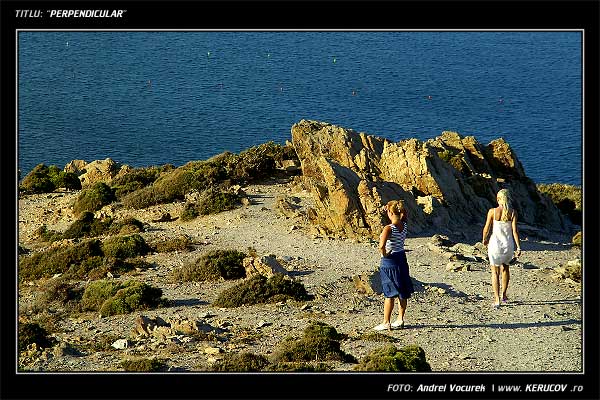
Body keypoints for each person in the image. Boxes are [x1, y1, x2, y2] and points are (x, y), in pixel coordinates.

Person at [374, 200, 415, 331]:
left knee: (389, 292)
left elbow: (381, 246)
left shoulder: (388, 228)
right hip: (401, 258)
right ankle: (400, 319)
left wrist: (384, 254)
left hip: (390, 260)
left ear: (390, 212)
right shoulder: (404, 225)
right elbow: (404, 215)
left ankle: (386, 321)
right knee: (402, 290)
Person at [482, 188, 522, 308]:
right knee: (506, 269)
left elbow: (486, 228)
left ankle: (497, 299)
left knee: (495, 272)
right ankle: (504, 295)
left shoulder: (492, 212)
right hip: (508, 245)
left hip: (495, 245)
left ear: (498, 198)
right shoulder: (513, 212)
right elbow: (515, 231)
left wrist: (484, 240)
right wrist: (518, 247)